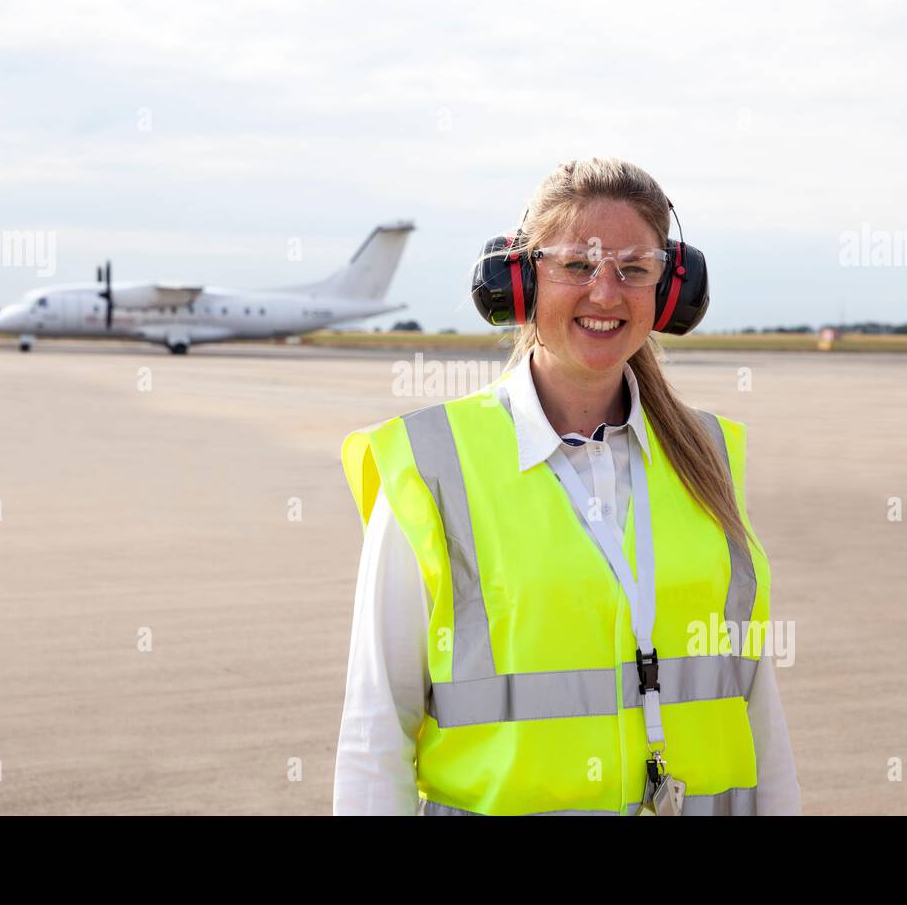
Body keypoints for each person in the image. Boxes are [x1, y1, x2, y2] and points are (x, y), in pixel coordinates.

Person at [335, 157, 800, 816]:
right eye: (577, 266)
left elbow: (755, 705)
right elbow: (376, 729)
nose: (606, 294)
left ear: (670, 292)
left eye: (633, 270)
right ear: (519, 282)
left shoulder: (708, 455)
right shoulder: (433, 465)